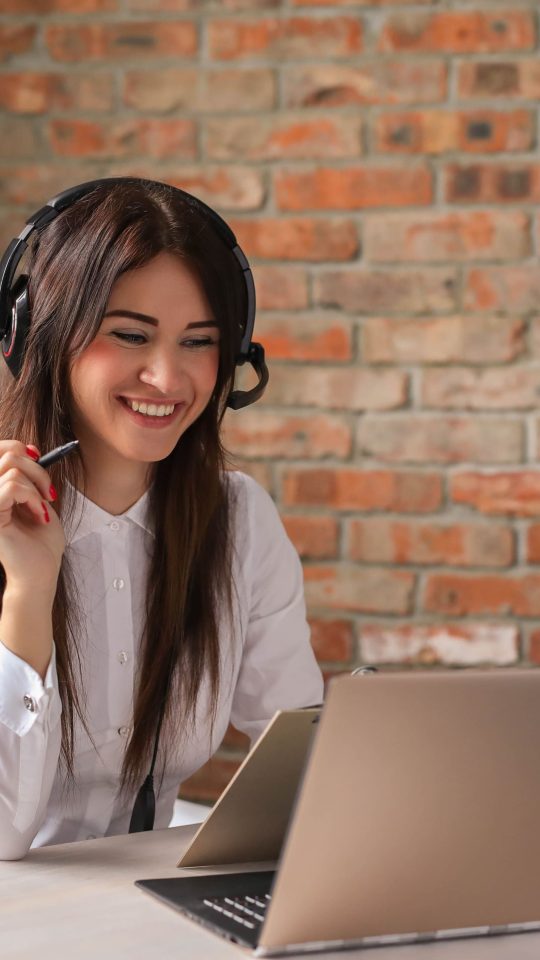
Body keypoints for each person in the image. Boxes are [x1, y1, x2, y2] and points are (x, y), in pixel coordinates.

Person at [0, 177, 323, 860]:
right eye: (130, 335)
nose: (168, 379)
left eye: (198, 342)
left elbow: (307, 766)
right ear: (37, 334)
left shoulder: (237, 521)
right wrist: (28, 595)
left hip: (144, 908)